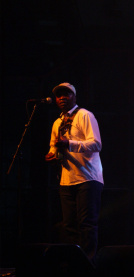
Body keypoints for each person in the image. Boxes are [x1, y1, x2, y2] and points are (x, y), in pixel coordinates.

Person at [45, 82, 104, 265]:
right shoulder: (57, 123)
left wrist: (70, 144)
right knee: (68, 226)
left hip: (87, 177)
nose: (62, 97)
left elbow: (96, 144)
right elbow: (54, 146)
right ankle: (73, 265)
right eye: (59, 95)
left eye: (67, 94)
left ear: (74, 97)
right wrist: (52, 154)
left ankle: (87, 264)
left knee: (86, 224)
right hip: (66, 179)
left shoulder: (85, 115)